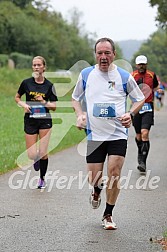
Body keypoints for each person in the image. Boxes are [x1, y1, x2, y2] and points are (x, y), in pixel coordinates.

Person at [72, 38, 145, 230]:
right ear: (95, 54)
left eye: (107, 53)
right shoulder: (86, 74)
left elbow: (139, 98)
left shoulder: (123, 76)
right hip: (95, 135)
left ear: (114, 54)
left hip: (117, 134)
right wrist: (80, 115)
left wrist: (130, 113)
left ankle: (108, 214)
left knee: (114, 173)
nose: (103, 57)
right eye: (99, 53)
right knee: (94, 178)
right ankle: (96, 191)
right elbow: (75, 98)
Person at [15, 56, 58, 189]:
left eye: (39, 65)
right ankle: (36, 158)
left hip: (44, 120)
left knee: (43, 152)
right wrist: (23, 105)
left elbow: (54, 106)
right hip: (30, 120)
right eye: (34, 65)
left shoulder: (50, 86)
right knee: (32, 154)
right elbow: (17, 97)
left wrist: (43, 101)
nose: (36, 67)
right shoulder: (26, 83)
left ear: (44, 67)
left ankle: (42, 178)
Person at [131, 55, 159, 173]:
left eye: (143, 64)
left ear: (146, 64)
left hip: (148, 107)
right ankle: (140, 153)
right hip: (136, 108)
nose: (141, 66)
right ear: (136, 65)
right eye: (139, 64)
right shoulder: (132, 76)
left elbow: (156, 86)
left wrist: (154, 93)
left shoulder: (152, 75)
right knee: (138, 136)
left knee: (145, 133)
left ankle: (143, 162)